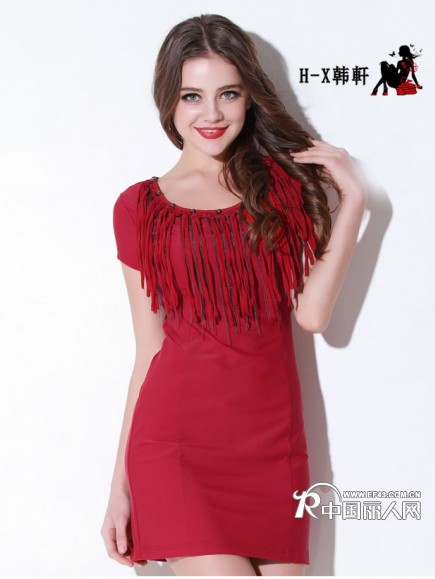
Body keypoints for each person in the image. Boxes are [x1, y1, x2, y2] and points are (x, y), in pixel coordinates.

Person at [100, 13, 368, 577]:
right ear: (169, 101)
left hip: (274, 449)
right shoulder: (139, 208)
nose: (212, 114)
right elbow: (148, 350)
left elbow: (313, 316)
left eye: (228, 93)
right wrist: (119, 485)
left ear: (249, 97)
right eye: (192, 96)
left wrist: (354, 203)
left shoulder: (282, 193)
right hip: (176, 449)